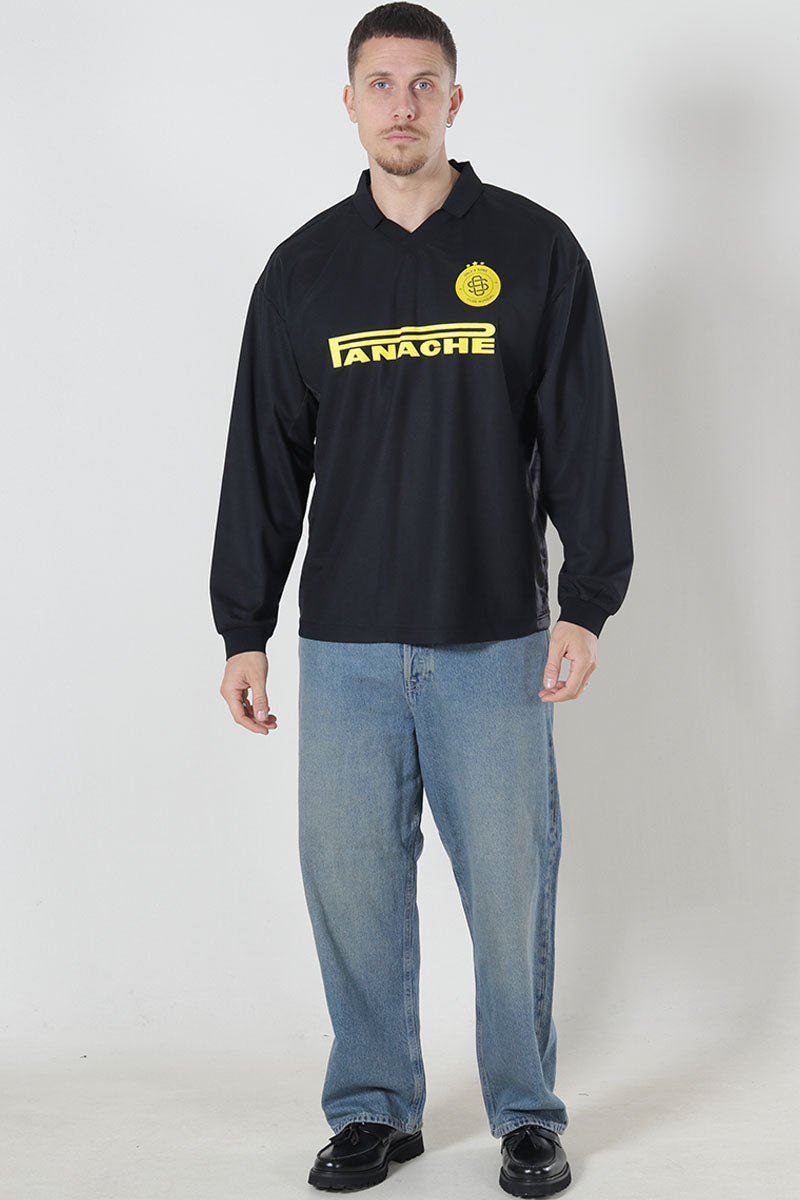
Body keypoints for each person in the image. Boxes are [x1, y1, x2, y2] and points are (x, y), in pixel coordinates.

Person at [209, 3, 633, 1195]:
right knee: (350, 888)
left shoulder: (534, 252)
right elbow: (261, 461)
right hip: (344, 644)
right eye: (380, 83)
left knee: (509, 889)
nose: (402, 104)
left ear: (454, 99)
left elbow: (583, 435)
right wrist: (242, 628)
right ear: (348, 102)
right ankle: (371, 1108)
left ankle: (526, 1113)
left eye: (423, 82)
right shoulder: (302, 272)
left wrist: (586, 601)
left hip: (491, 636)